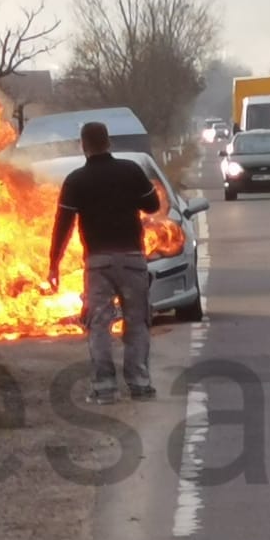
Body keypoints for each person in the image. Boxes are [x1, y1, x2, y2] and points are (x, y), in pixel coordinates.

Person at [48, 121, 161, 403]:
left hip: (98, 263)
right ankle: (139, 384)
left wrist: (54, 263)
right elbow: (152, 206)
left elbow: (63, 224)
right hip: (132, 259)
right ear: (108, 142)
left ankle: (105, 388)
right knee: (136, 321)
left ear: (83, 145)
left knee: (98, 324)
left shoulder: (76, 180)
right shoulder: (130, 171)